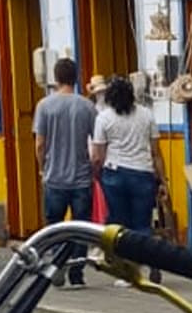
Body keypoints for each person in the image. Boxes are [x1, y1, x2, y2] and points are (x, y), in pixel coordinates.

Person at [90, 77, 164, 281]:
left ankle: (127, 272)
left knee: (120, 225)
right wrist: (162, 179)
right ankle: (151, 264)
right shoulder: (147, 115)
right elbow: (156, 152)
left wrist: (97, 176)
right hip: (142, 174)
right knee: (142, 224)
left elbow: (97, 156)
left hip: (114, 175)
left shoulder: (103, 118)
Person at [32, 57, 97, 289]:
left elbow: (40, 143)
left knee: (54, 227)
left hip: (55, 177)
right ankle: (77, 273)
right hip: (81, 177)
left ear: (56, 78)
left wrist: (42, 168)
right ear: (76, 77)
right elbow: (96, 141)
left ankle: (56, 266)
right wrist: (94, 169)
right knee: (80, 228)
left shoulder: (44, 106)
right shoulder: (87, 106)